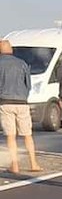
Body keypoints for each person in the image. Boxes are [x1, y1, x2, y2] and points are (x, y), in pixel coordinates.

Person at [0, 40, 42, 174]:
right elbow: (28, 84)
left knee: (11, 136)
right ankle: (33, 163)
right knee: (27, 134)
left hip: (5, 102)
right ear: (11, 50)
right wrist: (23, 95)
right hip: (22, 102)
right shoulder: (22, 63)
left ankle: (15, 165)